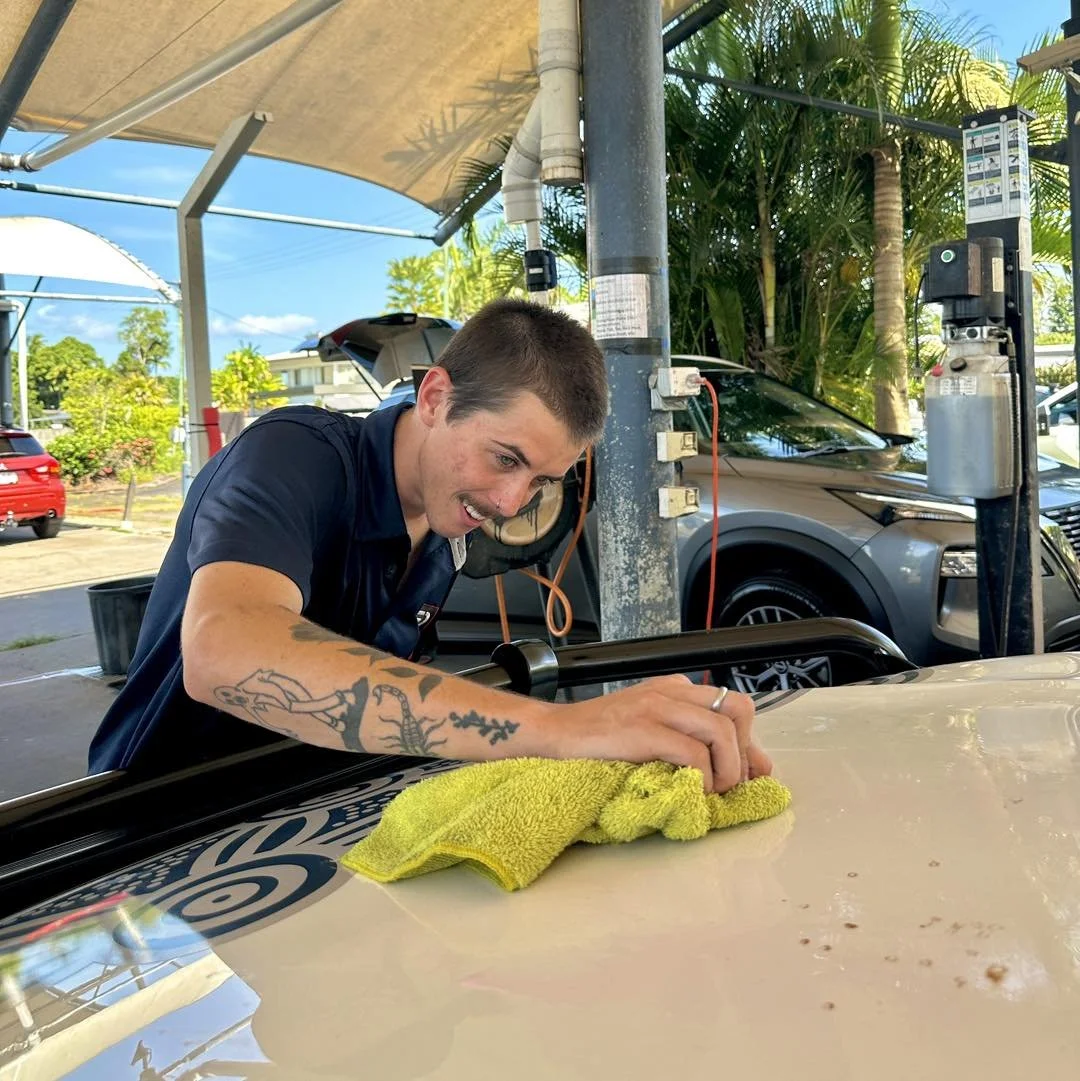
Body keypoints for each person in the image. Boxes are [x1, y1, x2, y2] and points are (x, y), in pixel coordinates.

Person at [89, 298, 771, 792]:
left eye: (541, 481)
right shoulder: (290, 455)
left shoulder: (445, 538)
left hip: (303, 822)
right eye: (505, 458)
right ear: (437, 397)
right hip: (150, 837)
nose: (510, 504)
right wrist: (564, 729)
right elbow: (225, 652)